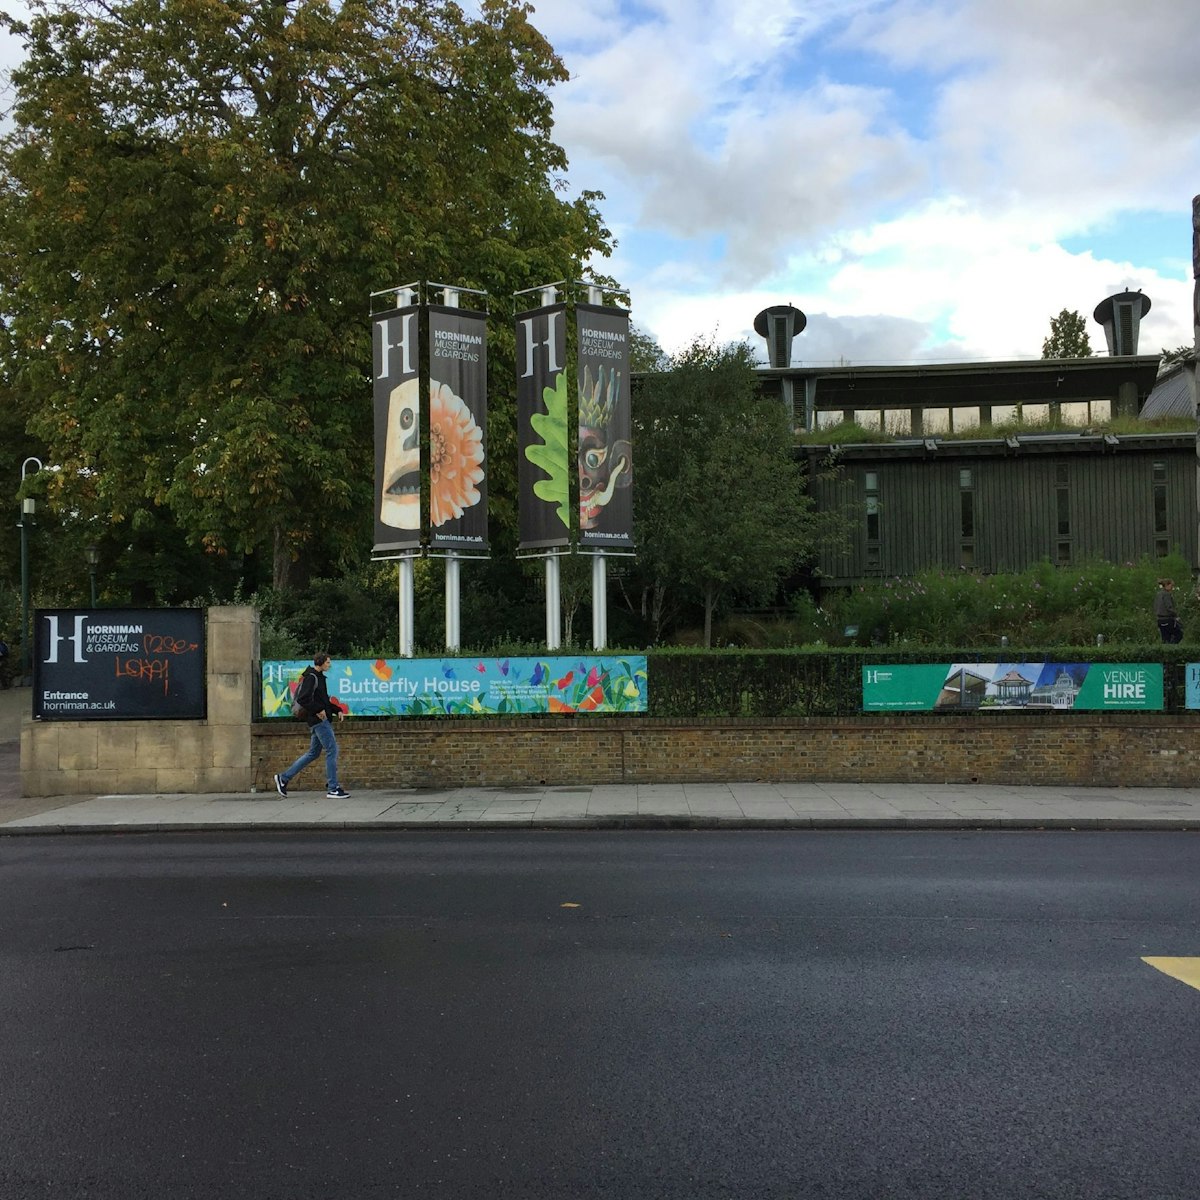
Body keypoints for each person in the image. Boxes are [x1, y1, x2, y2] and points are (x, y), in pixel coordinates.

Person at [273, 653, 351, 798]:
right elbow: (303, 699)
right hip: (319, 721)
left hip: (318, 720)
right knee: (332, 750)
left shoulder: (319, 677)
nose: (329, 665)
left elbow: (324, 702)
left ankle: (283, 778)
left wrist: (337, 709)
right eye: (328, 662)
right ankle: (333, 788)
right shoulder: (311, 677)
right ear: (320, 663)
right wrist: (317, 710)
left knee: (313, 753)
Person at [1154, 578, 1183, 644]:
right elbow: (1169, 608)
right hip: (1167, 619)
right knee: (1179, 634)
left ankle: (1166, 650)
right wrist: (1176, 615)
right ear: (1167, 585)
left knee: (1165, 638)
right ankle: (1172, 648)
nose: (1172, 588)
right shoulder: (1166, 594)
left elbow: (1155, 606)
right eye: (1171, 586)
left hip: (1160, 620)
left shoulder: (1158, 594)